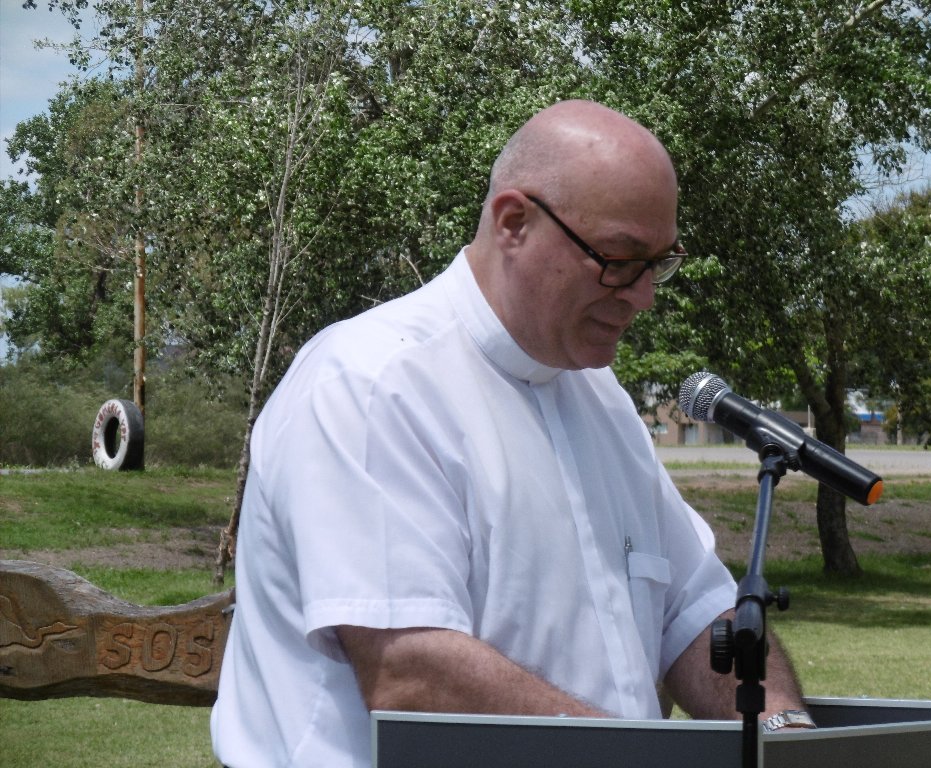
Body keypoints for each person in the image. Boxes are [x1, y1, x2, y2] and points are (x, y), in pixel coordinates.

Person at [211, 99, 812, 767]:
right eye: (617, 258)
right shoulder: (372, 385)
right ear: (514, 222)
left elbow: (700, 616)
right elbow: (413, 673)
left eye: (659, 265)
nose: (642, 295)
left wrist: (785, 737)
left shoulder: (600, 399)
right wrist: (643, 757)